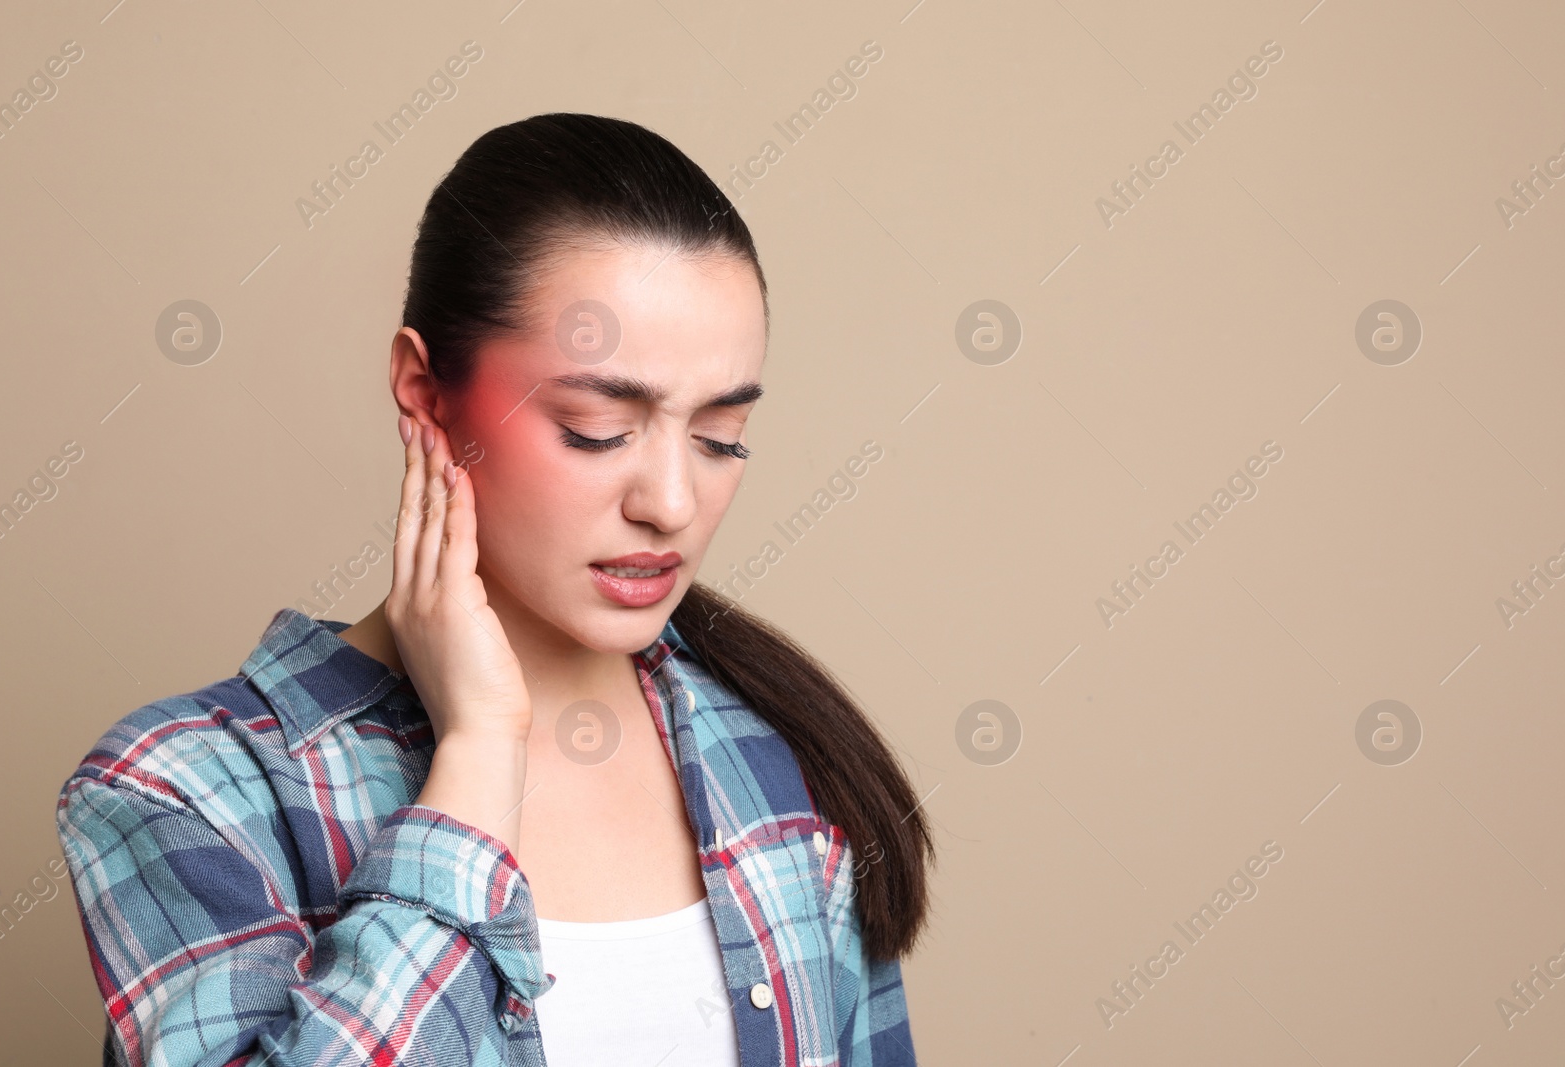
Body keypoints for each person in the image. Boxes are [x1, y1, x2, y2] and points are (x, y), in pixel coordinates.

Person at [56, 112, 934, 1066]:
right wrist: (476, 757)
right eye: (598, 426)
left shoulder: (783, 754)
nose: (673, 503)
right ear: (426, 392)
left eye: (721, 436)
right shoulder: (186, 791)